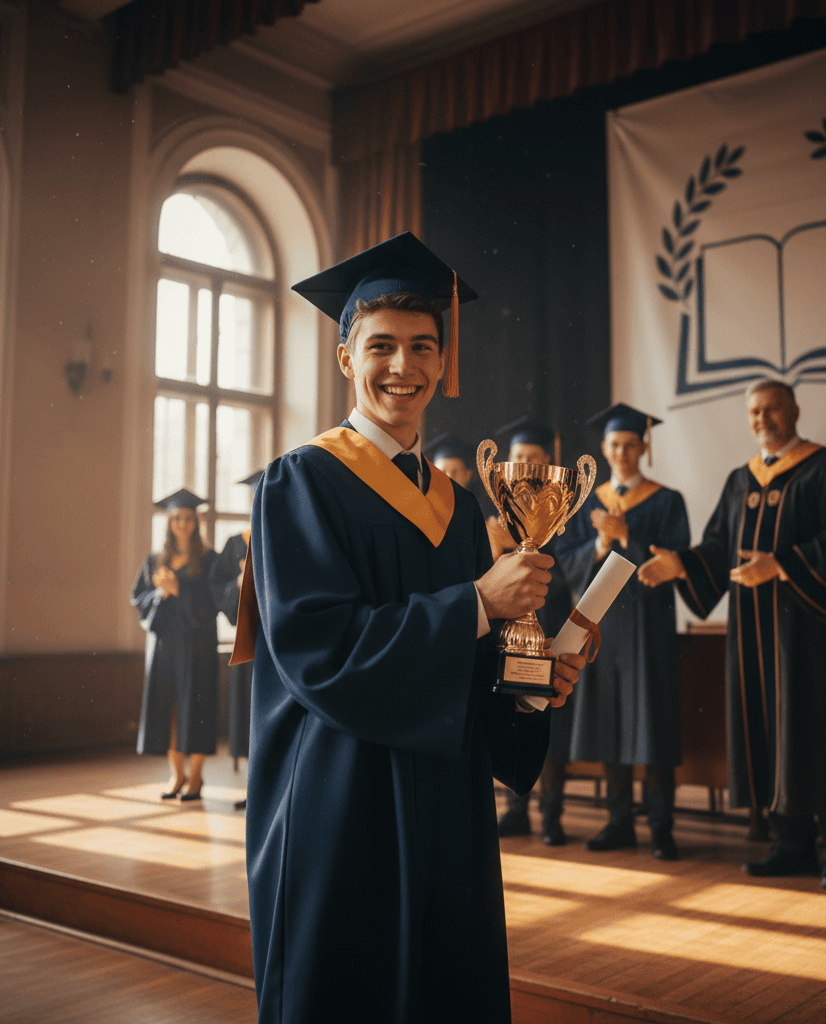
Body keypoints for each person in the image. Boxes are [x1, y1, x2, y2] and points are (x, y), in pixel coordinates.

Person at [232, 232, 585, 1024]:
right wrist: (476, 605)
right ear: (345, 358)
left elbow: (475, 665)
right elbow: (318, 651)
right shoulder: (301, 482)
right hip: (342, 792)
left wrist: (531, 684)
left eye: (423, 346)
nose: (404, 365)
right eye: (381, 346)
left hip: (446, 799)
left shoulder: (458, 507)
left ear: (443, 361)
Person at [639, 379, 826, 890]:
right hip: (754, 635)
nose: (762, 419)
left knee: (821, 730)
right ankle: (790, 842)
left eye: (771, 409)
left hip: (813, 638)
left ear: (795, 411)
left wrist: (782, 565)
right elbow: (720, 546)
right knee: (768, 729)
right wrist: (683, 564)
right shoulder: (740, 480)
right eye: (754, 412)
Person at [554, 403, 689, 859]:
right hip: (604, 624)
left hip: (649, 624)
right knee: (610, 720)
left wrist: (627, 535)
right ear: (604, 447)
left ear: (643, 447)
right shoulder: (587, 502)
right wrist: (600, 542)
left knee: (653, 723)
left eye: (631, 444)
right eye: (615, 444)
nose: (623, 452)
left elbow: (676, 559)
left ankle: (662, 828)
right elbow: (567, 564)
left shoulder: (667, 500)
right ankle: (619, 822)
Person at [490, 418, 575, 845]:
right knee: (511, 713)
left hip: (551, 627)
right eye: (518, 457)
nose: (524, 465)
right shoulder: (499, 514)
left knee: (549, 722)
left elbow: (570, 572)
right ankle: (515, 810)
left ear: (547, 464)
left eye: (533, 459)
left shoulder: (562, 512)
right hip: (507, 633)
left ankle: (552, 814)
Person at [131, 489, 220, 802]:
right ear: (169, 523)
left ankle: (195, 777)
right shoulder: (154, 561)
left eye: (188, 518)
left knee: (196, 710)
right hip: (165, 646)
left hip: (198, 645)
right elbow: (139, 600)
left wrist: (179, 590)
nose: (183, 523)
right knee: (169, 710)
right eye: (177, 518)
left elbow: (213, 604)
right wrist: (161, 593)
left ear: (196, 522)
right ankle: (176, 774)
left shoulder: (209, 560)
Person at [211, 470, 263, 812]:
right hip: (249, 640)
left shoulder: (287, 534)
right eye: (256, 497)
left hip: (281, 642)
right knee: (248, 713)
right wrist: (241, 583)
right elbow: (218, 588)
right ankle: (252, 787)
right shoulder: (235, 543)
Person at [423, 432, 493, 519]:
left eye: (455, 472)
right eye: (442, 472)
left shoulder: (484, 514)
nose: (449, 477)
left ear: (468, 475)